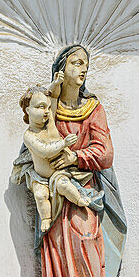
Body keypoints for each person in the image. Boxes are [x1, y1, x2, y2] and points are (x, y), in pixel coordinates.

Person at [11, 45, 127, 277]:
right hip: (54, 190)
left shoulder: (93, 109)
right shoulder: (47, 110)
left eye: (85, 64)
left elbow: (105, 152)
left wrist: (75, 157)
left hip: (84, 186)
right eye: (76, 63)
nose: (83, 69)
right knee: (58, 244)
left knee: (86, 236)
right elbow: (33, 144)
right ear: (62, 70)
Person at [17, 70, 95, 232]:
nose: (46, 111)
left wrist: (56, 83)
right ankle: (46, 218)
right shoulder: (29, 136)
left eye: (47, 107)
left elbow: (53, 96)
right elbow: (44, 151)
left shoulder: (50, 121)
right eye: (40, 107)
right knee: (40, 196)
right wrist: (63, 143)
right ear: (28, 111)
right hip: (39, 177)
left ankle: (79, 199)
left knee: (65, 186)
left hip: (58, 174)